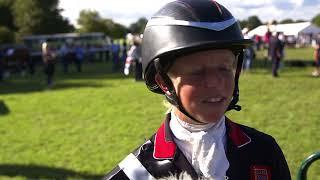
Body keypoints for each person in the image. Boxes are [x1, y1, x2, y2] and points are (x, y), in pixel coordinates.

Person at [104, 0, 291, 179]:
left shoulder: (264, 152)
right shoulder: (134, 174)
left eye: (224, 68)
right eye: (196, 72)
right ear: (163, 83)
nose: (215, 82)